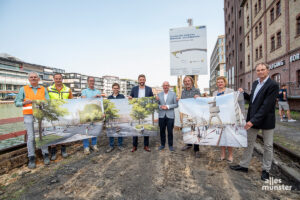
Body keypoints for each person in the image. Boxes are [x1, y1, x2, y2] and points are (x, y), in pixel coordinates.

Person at [230, 63, 279, 181]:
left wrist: (252, 121)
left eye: (263, 70)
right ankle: (244, 165)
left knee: (267, 146)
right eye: (258, 70)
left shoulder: (273, 85)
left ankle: (266, 170)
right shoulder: (256, 83)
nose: (260, 72)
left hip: (266, 120)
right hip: (253, 119)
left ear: (268, 70)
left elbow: (266, 106)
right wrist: (243, 94)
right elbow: (253, 99)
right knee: (249, 143)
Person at [15, 72, 50, 168]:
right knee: (31, 137)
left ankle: (45, 154)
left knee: (43, 135)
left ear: (38, 79)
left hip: (40, 115)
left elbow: (48, 101)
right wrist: (24, 102)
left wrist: (40, 102)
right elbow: (16, 102)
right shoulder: (23, 89)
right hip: (28, 115)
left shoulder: (43, 89)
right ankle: (31, 158)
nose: (33, 78)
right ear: (29, 79)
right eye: (31, 77)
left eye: (35, 77)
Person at [47, 73, 73, 160]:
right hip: (53, 114)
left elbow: (71, 102)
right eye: (56, 78)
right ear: (53, 79)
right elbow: (45, 101)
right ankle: (53, 152)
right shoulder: (48, 89)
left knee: (64, 132)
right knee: (53, 133)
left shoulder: (68, 89)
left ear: (62, 79)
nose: (58, 80)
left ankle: (63, 151)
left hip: (64, 114)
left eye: (60, 78)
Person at [128, 74, 153, 152]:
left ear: (145, 80)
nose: (142, 81)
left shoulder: (149, 89)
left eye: (143, 79)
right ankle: (134, 146)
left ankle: (146, 145)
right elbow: (130, 98)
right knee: (136, 128)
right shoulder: (134, 89)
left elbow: (152, 99)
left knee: (145, 128)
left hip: (145, 111)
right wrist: (130, 98)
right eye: (140, 79)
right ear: (138, 80)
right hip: (136, 111)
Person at [213, 76, 234, 163]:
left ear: (225, 83)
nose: (220, 83)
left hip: (228, 117)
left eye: (222, 82)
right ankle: (222, 155)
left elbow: (234, 101)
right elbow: (213, 104)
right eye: (218, 82)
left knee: (228, 136)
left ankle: (230, 155)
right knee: (221, 136)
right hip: (219, 117)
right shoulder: (214, 93)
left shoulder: (230, 91)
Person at [179, 76, 201, 158]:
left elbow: (200, 101)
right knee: (187, 130)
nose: (187, 82)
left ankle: (196, 149)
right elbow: (182, 102)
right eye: (185, 81)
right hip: (186, 114)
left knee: (195, 131)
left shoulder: (196, 90)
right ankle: (189, 144)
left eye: (188, 81)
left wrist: (198, 97)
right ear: (184, 83)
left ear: (191, 82)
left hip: (195, 114)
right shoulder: (183, 92)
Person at [81, 76, 102, 155]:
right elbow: (83, 100)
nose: (92, 82)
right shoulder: (84, 91)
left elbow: (100, 102)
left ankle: (94, 145)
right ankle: (86, 147)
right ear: (87, 82)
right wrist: (94, 97)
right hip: (87, 114)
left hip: (95, 114)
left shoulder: (98, 91)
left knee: (94, 130)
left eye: (93, 81)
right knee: (86, 131)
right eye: (90, 81)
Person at [156, 81, 178, 151]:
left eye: (167, 85)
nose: (165, 87)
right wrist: (161, 107)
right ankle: (162, 145)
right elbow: (157, 104)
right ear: (162, 86)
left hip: (170, 116)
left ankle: (170, 145)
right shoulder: (159, 94)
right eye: (164, 85)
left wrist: (168, 106)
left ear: (169, 86)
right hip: (161, 115)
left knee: (170, 131)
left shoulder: (173, 94)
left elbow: (176, 104)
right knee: (162, 131)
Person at [106, 83, 125, 153]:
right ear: (112, 89)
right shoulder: (109, 98)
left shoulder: (122, 96)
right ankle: (111, 146)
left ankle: (120, 145)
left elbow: (124, 105)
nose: (115, 89)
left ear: (119, 89)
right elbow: (107, 107)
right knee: (111, 131)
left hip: (119, 117)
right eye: (114, 88)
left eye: (117, 88)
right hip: (111, 117)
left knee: (119, 130)